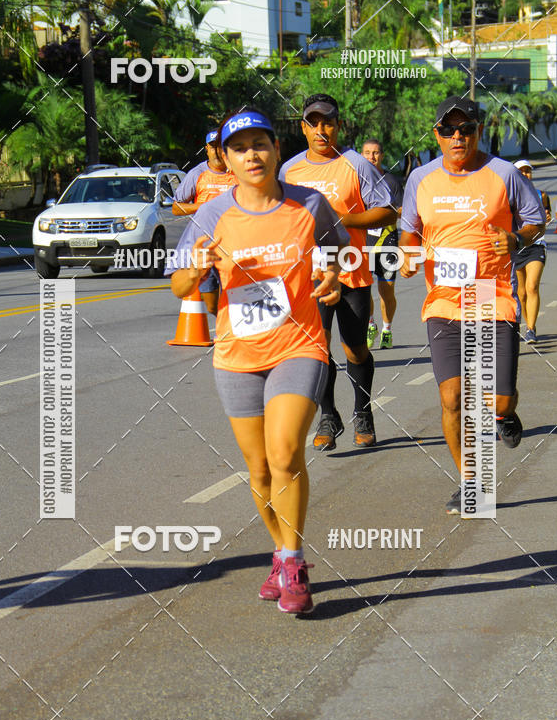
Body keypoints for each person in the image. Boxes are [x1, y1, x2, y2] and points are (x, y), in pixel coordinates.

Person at [171, 108, 348, 613]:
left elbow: (339, 256)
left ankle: (292, 562)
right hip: (236, 355)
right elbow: (179, 284)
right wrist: (196, 269)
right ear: (225, 158)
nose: (252, 154)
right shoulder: (211, 216)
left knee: (286, 452)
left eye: (260, 144)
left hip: (299, 344)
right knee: (259, 471)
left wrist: (331, 278)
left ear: (275, 149)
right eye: (240, 147)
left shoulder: (309, 204)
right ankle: (280, 548)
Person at [400, 95, 546, 514]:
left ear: (478, 131)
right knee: (452, 397)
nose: (458, 136)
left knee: (497, 400)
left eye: (466, 128)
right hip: (443, 301)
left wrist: (517, 238)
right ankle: (471, 482)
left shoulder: (503, 173)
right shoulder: (421, 180)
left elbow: (535, 219)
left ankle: (505, 414)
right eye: (449, 130)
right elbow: (409, 231)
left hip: (491, 297)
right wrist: (409, 256)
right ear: (438, 135)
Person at [279, 94, 396, 450]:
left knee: (355, 349)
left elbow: (388, 211)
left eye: (327, 122)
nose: (321, 130)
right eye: (313, 123)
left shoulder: (356, 165)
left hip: (351, 272)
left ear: (338, 125)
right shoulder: (289, 170)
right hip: (309, 275)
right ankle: (328, 417)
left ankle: (363, 411)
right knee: (316, 349)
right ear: (303, 128)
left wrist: (342, 220)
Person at [173, 130, 239, 315]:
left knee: (236, 294)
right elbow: (177, 208)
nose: (217, 151)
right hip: (205, 245)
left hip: (234, 243)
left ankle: (231, 333)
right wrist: (204, 206)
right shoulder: (197, 174)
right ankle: (224, 322)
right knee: (211, 305)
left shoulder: (237, 171)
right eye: (212, 147)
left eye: (220, 146)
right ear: (206, 150)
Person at [361, 138, 404, 349]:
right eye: (367, 153)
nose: (372, 157)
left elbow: (401, 211)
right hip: (362, 239)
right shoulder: (356, 179)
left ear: (382, 156)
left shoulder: (391, 181)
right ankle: (371, 324)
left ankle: (387, 329)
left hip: (387, 238)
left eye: (376, 153)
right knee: (363, 287)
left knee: (386, 290)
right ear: (362, 155)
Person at [512, 160, 550, 343]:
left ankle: (531, 329)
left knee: (532, 286)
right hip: (517, 247)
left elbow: (546, 218)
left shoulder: (541, 195)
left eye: (528, 171)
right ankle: (526, 325)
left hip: (536, 245)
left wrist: (548, 218)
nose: (525, 174)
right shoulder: (508, 197)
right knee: (521, 292)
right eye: (521, 171)